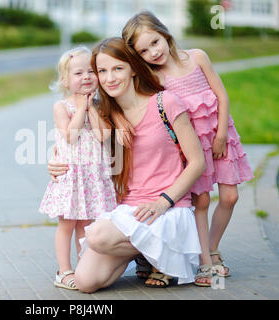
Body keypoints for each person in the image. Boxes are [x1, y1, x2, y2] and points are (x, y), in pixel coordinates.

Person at [50, 37, 205, 291]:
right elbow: (73, 142)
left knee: (98, 235)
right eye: (102, 71)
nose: (110, 78)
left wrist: (163, 202)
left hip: (166, 207)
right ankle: (144, 253)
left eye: (117, 68)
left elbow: (197, 162)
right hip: (126, 212)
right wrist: (55, 162)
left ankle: (158, 251)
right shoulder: (102, 112)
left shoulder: (166, 103)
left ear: (133, 67)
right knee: (85, 282)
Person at [117, 11, 254, 286]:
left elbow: (221, 95)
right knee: (201, 201)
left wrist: (222, 134)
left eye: (154, 42)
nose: (153, 52)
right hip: (192, 146)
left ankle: (212, 247)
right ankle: (206, 261)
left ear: (164, 34)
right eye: (143, 51)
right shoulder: (155, 80)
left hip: (220, 136)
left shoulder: (198, 57)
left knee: (229, 197)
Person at [39, 46, 117, 290]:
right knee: (67, 224)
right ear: (65, 80)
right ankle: (64, 270)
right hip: (71, 175)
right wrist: (82, 107)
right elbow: (71, 135)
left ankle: (85, 266)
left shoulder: (99, 104)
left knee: (86, 223)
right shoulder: (62, 106)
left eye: (90, 72)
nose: (86, 77)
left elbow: (103, 135)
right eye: (78, 73)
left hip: (92, 175)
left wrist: (92, 107)